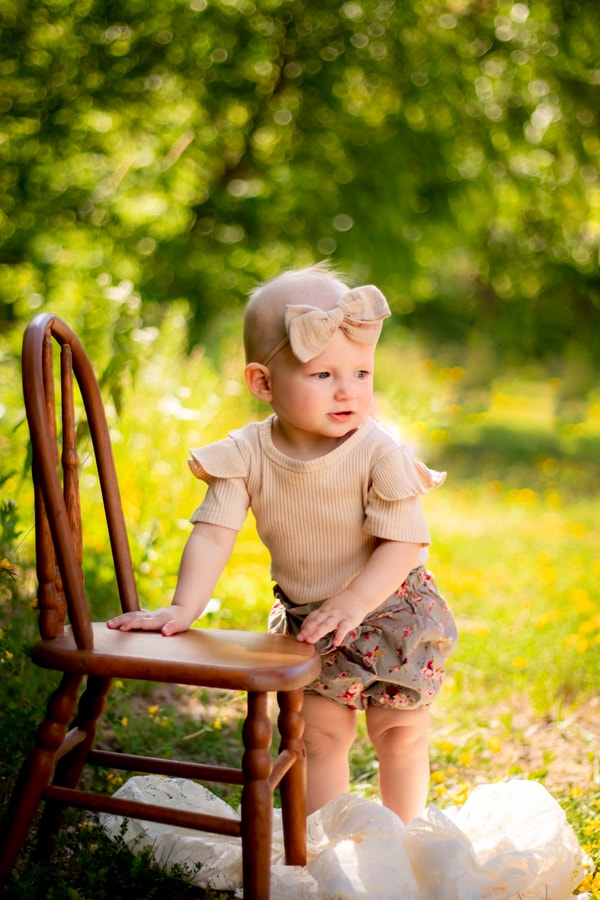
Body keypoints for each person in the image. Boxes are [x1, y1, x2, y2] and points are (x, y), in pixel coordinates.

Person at [107, 262, 457, 823]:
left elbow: (404, 543)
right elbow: (214, 532)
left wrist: (354, 601)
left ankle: (405, 837)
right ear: (263, 384)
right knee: (320, 737)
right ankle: (325, 846)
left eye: (362, 374)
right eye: (323, 375)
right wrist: (183, 606)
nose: (349, 391)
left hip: (392, 610)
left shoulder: (376, 450)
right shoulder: (244, 453)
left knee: (400, 733)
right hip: (309, 620)